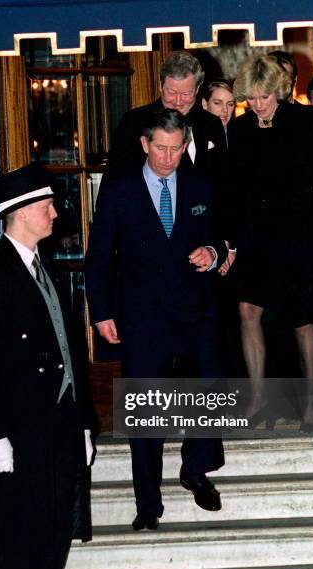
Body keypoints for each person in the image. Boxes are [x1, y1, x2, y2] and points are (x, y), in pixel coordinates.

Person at [85, 109, 227, 530]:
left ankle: (196, 469)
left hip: (195, 307)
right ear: (145, 145)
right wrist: (101, 312)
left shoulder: (201, 185)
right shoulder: (119, 190)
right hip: (142, 312)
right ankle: (148, 501)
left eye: (176, 149)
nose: (168, 158)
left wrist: (213, 253)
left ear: (185, 146)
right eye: (160, 148)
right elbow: (98, 257)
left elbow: (218, 237)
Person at [0, 165, 95, 569]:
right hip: (19, 436)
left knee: (52, 549)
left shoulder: (48, 270)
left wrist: (83, 425)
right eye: (47, 207)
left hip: (59, 431)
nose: (56, 214)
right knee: (19, 556)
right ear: (19, 213)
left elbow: (70, 349)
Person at [227, 55, 313, 429]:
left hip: (299, 233)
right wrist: (231, 241)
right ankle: (258, 397)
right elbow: (236, 189)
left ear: (278, 90)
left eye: (264, 97)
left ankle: (311, 404)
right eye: (251, 99)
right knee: (248, 311)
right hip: (257, 237)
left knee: (302, 318)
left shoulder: (305, 121)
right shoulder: (241, 130)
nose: (258, 105)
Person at [105, 50, 226, 181]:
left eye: (186, 94)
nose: (178, 102)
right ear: (161, 86)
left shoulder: (212, 124)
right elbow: (117, 179)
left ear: (197, 89)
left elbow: (223, 181)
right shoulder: (134, 122)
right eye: (172, 92)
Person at [201, 79, 236, 147]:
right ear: (205, 104)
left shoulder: (241, 136)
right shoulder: (193, 135)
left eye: (230, 104)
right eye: (217, 103)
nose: (225, 110)